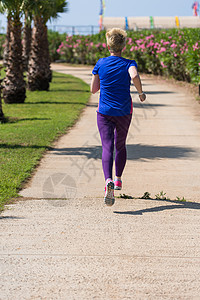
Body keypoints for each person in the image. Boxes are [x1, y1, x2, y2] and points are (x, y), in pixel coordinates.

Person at [91, 28, 146, 206]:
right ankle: (118, 179)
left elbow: (93, 89)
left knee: (107, 147)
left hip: (104, 112)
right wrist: (141, 92)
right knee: (120, 145)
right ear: (123, 46)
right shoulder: (129, 63)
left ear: (108, 46)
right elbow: (135, 75)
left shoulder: (100, 63)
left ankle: (107, 181)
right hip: (124, 112)